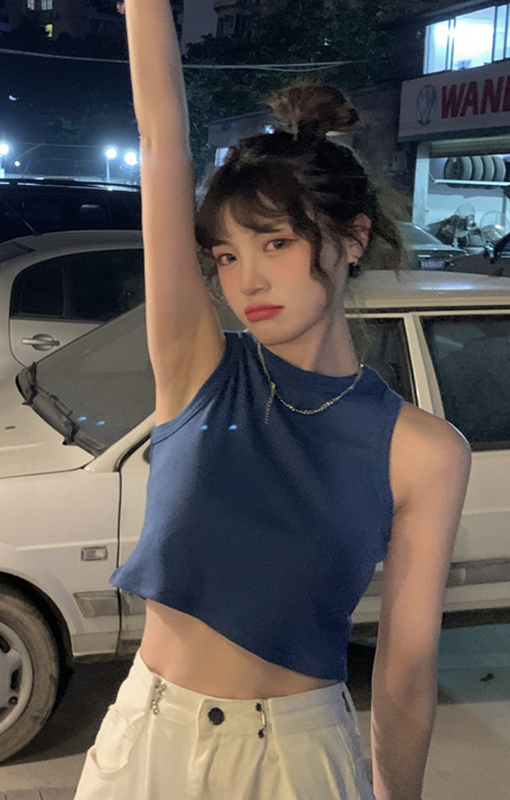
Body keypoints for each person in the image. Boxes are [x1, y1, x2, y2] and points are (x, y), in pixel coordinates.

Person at [74, 2, 472, 800]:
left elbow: (404, 674)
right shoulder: (197, 370)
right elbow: (161, 143)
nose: (246, 279)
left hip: (294, 761)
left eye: (276, 243)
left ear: (352, 238)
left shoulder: (423, 452)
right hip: (146, 740)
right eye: (226, 254)